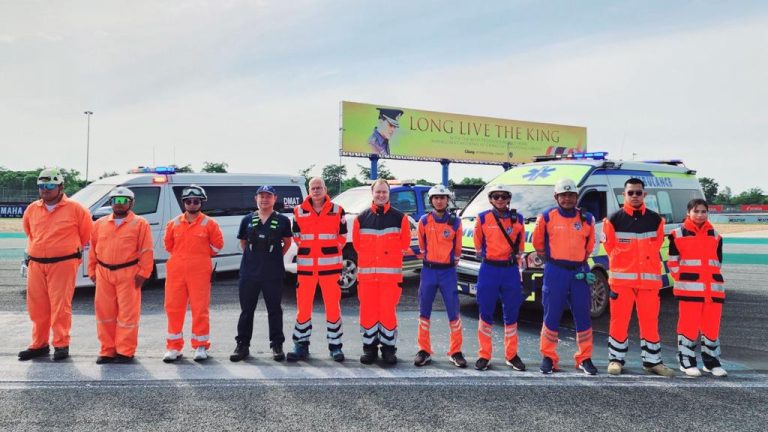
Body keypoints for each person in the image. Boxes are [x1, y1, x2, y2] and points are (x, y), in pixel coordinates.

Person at [602, 178, 675, 377]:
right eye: (631, 192)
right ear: (623, 195)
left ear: (645, 195)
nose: (635, 196)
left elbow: (657, 244)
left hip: (649, 283)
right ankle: (616, 360)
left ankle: (653, 362)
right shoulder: (613, 220)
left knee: (650, 322)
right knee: (619, 321)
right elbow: (609, 248)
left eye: (638, 192)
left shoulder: (656, 220)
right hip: (622, 283)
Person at [19, 168, 92, 361]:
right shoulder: (32, 209)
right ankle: (39, 344)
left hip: (63, 263)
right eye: (42, 186)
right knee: (37, 306)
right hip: (36, 264)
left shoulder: (76, 209)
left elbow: (86, 235)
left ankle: (61, 344)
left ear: (61, 187)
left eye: (50, 185)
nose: (45, 190)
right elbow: (29, 232)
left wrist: (65, 250)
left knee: (60, 306)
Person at [531, 178, 598, 375]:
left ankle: (584, 358)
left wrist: (579, 264)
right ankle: (548, 357)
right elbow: (538, 244)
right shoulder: (546, 217)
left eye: (571, 195)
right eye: (563, 195)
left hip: (579, 271)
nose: (567, 199)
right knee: (551, 315)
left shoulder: (587, 218)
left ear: (577, 197)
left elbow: (590, 245)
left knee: (583, 315)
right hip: (555, 271)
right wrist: (554, 261)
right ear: (556, 197)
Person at [88, 187, 154, 364]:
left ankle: (125, 351)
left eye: (124, 201)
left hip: (129, 273)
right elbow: (93, 250)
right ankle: (107, 350)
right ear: (111, 203)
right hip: (103, 273)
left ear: (131, 203)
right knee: (105, 313)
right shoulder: (99, 224)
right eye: (116, 201)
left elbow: (146, 250)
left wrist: (144, 273)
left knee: (128, 314)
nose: (119, 204)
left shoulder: (140, 224)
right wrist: (92, 271)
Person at [230, 186, 293, 362]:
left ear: (275, 199)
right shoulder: (247, 220)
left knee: (274, 310)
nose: (264, 199)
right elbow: (243, 243)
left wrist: (272, 257)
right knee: (246, 311)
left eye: (268, 196)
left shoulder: (282, 220)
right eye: (261, 196)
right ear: (255, 198)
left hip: (273, 273)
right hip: (249, 272)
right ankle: (242, 345)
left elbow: (287, 243)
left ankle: (277, 345)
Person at [288, 177, 348, 362]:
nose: (316, 190)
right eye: (313, 188)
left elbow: (343, 236)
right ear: (309, 190)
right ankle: (301, 345)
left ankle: (335, 346)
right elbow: (296, 236)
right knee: (303, 308)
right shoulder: (298, 211)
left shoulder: (338, 210)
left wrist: (330, 248)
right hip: (306, 270)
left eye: (319, 187)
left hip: (331, 269)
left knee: (333, 307)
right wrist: (309, 249)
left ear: (325, 189)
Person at [162, 185, 224, 363]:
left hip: (200, 270)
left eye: (196, 201)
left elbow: (217, 246)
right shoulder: (173, 223)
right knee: (173, 308)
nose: (192, 204)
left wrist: (200, 254)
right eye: (189, 201)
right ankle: (173, 347)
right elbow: (168, 246)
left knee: (200, 309)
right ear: (184, 203)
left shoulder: (210, 223)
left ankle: (200, 346)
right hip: (176, 270)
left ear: (201, 202)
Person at [352, 179, 411, 364]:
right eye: (378, 192)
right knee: (368, 313)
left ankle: (388, 349)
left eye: (384, 192)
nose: (381, 195)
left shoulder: (400, 219)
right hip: (367, 279)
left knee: (387, 313)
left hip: (390, 280)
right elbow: (357, 246)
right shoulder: (360, 219)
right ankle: (369, 349)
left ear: (389, 194)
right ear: (372, 193)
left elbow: (405, 244)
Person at [668, 199, 728, 377]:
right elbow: (672, 263)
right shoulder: (677, 234)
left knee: (711, 327)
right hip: (689, 290)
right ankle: (686, 360)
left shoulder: (715, 235)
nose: (700, 215)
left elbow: (717, 262)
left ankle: (711, 362)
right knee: (688, 326)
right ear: (689, 213)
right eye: (696, 211)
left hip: (713, 290)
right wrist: (684, 279)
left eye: (704, 211)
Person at [472, 184, 526, 371]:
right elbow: (478, 244)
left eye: (504, 197)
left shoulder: (518, 219)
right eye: (496, 197)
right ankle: (484, 355)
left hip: (510, 271)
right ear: (491, 199)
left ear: (509, 199)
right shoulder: (483, 218)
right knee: (485, 312)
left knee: (511, 313)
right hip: (489, 269)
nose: (500, 200)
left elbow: (520, 247)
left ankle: (511, 355)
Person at [413, 184, 467, 368]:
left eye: (442, 197)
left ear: (447, 200)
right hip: (428, 271)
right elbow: (421, 246)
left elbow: (458, 248)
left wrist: (449, 262)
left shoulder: (455, 222)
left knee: (453, 311)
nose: (439, 200)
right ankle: (424, 350)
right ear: (431, 201)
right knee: (424, 311)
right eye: (435, 198)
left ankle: (455, 351)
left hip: (447, 272)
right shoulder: (424, 221)